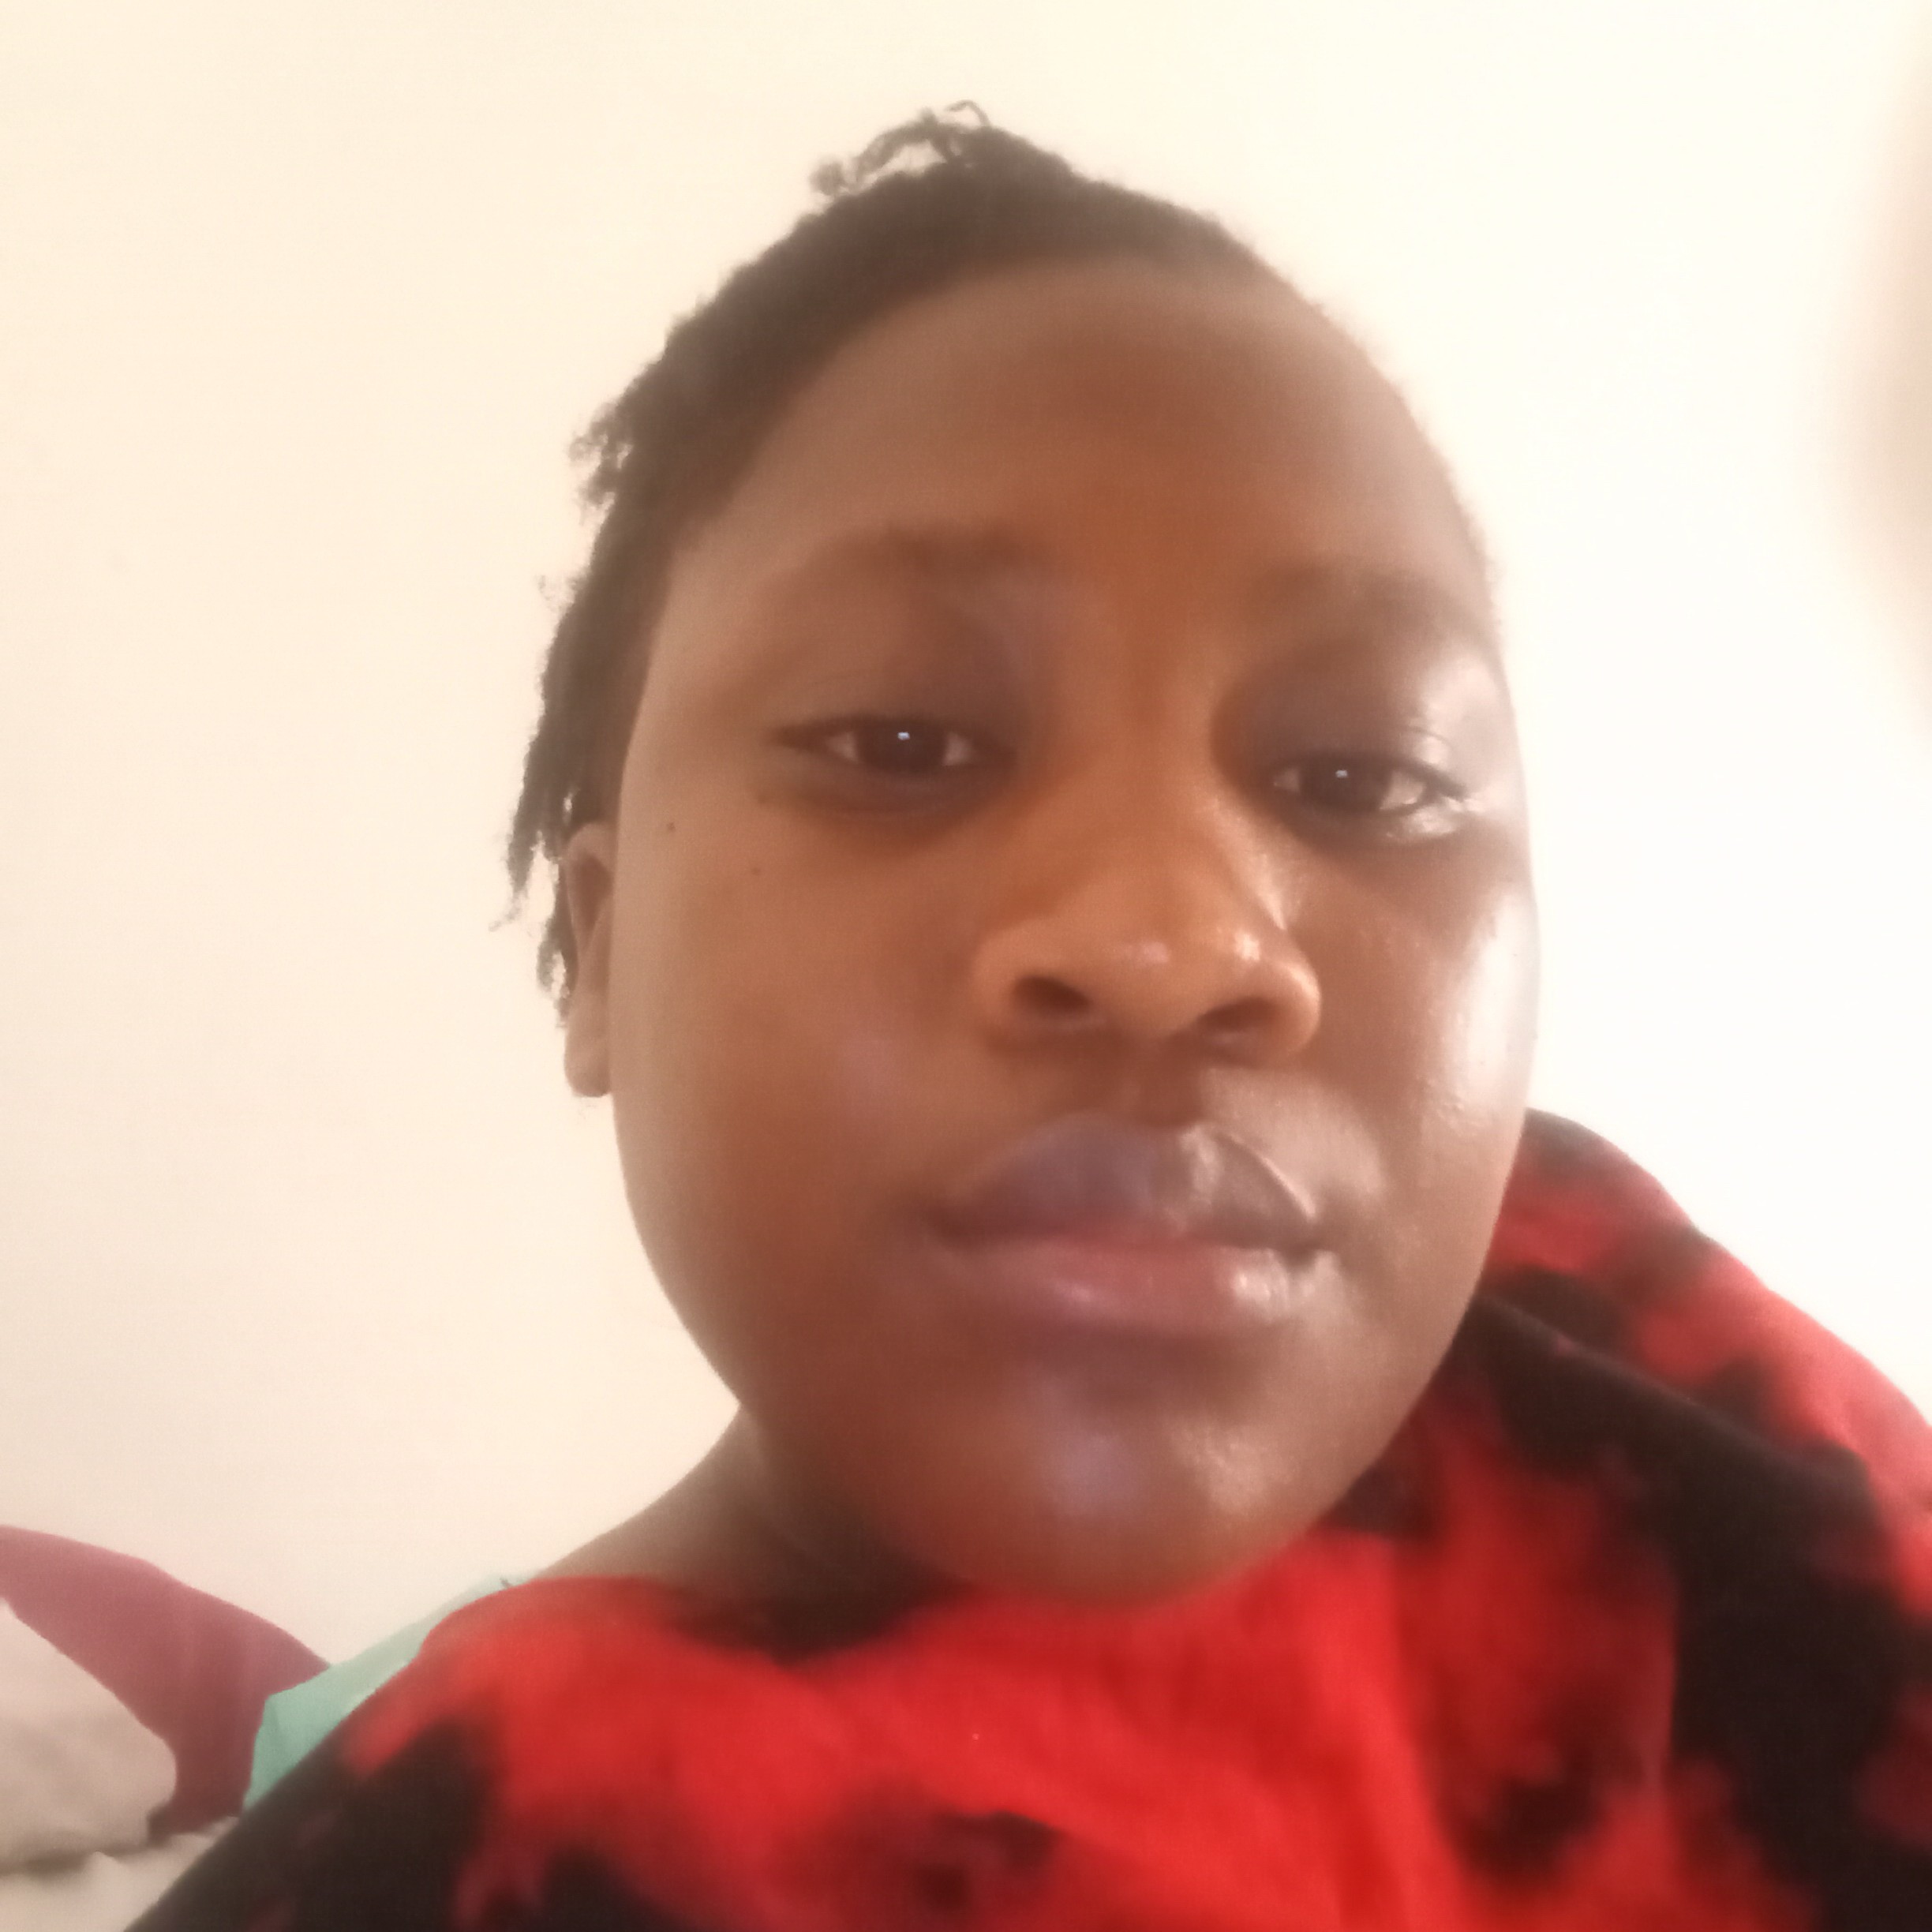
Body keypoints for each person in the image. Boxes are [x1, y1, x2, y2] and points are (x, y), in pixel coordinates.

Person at [140, 109, 1932, 1930]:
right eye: (904, 743)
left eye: (1360, 773)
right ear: (599, 953)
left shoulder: (1630, 1352)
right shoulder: (445, 1870)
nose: (1173, 944)